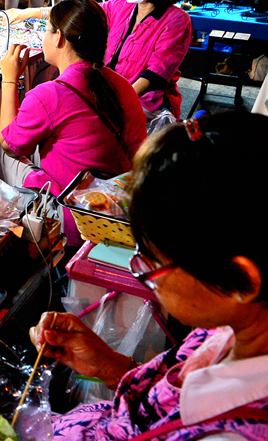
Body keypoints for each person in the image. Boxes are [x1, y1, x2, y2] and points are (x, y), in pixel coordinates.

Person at [23, 112, 268, 441]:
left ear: (242, 279)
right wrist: (110, 366)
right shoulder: (236, 327)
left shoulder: (232, 433)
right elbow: (168, 406)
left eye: (154, 262)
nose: (143, 275)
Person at [0, 0, 146, 200]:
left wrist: (9, 79)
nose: (43, 37)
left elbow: (9, 145)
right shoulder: (121, 83)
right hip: (121, 198)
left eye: (45, 30)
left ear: (59, 37)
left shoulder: (49, 95)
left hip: (75, 207)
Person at [10, 0, 192, 120]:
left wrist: (116, 104)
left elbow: (155, 75)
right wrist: (31, 13)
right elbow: (80, 12)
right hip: (106, 91)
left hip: (144, 104)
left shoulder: (176, 21)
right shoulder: (122, 5)